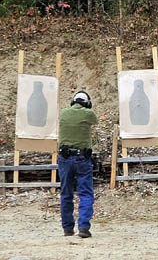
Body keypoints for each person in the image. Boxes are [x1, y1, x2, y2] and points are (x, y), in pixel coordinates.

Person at [58, 91, 98, 238]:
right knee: (86, 193)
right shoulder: (88, 113)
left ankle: (68, 229)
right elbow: (95, 120)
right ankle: (83, 228)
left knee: (66, 194)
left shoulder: (63, 113)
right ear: (86, 103)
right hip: (82, 158)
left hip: (64, 158)